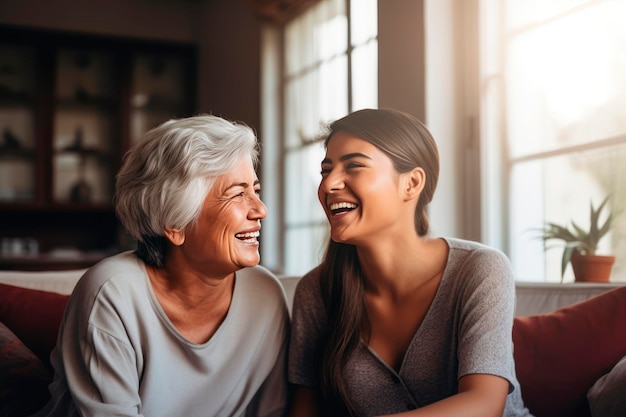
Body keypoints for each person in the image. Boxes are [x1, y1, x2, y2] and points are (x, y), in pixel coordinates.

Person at [33, 114, 289, 417]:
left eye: (255, 191)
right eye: (237, 194)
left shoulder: (265, 294)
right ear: (174, 223)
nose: (261, 209)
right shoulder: (112, 294)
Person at [287, 108, 533, 417]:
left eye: (354, 166)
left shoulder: (480, 270)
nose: (329, 184)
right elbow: (305, 410)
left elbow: (483, 405)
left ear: (412, 184)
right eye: (326, 171)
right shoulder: (317, 291)